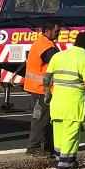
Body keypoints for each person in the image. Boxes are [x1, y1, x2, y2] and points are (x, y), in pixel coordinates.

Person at [45, 31, 85, 169]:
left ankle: (61, 160)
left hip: (57, 101)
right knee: (71, 134)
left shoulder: (58, 55)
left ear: (75, 42)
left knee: (59, 134)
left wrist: (47, 94)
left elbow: (46, 78)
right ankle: (64, 168)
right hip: (73, 102)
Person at [23, 23, 61, 156]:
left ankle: (46, 146)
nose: (59, 33)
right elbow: (57, 60)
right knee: (41, 118)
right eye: (56, 31)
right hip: (41, 89)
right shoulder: (45, 45)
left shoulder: (46, 43)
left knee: (45, 118)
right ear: (47, 31)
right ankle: (34, 147)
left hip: (43, 88)